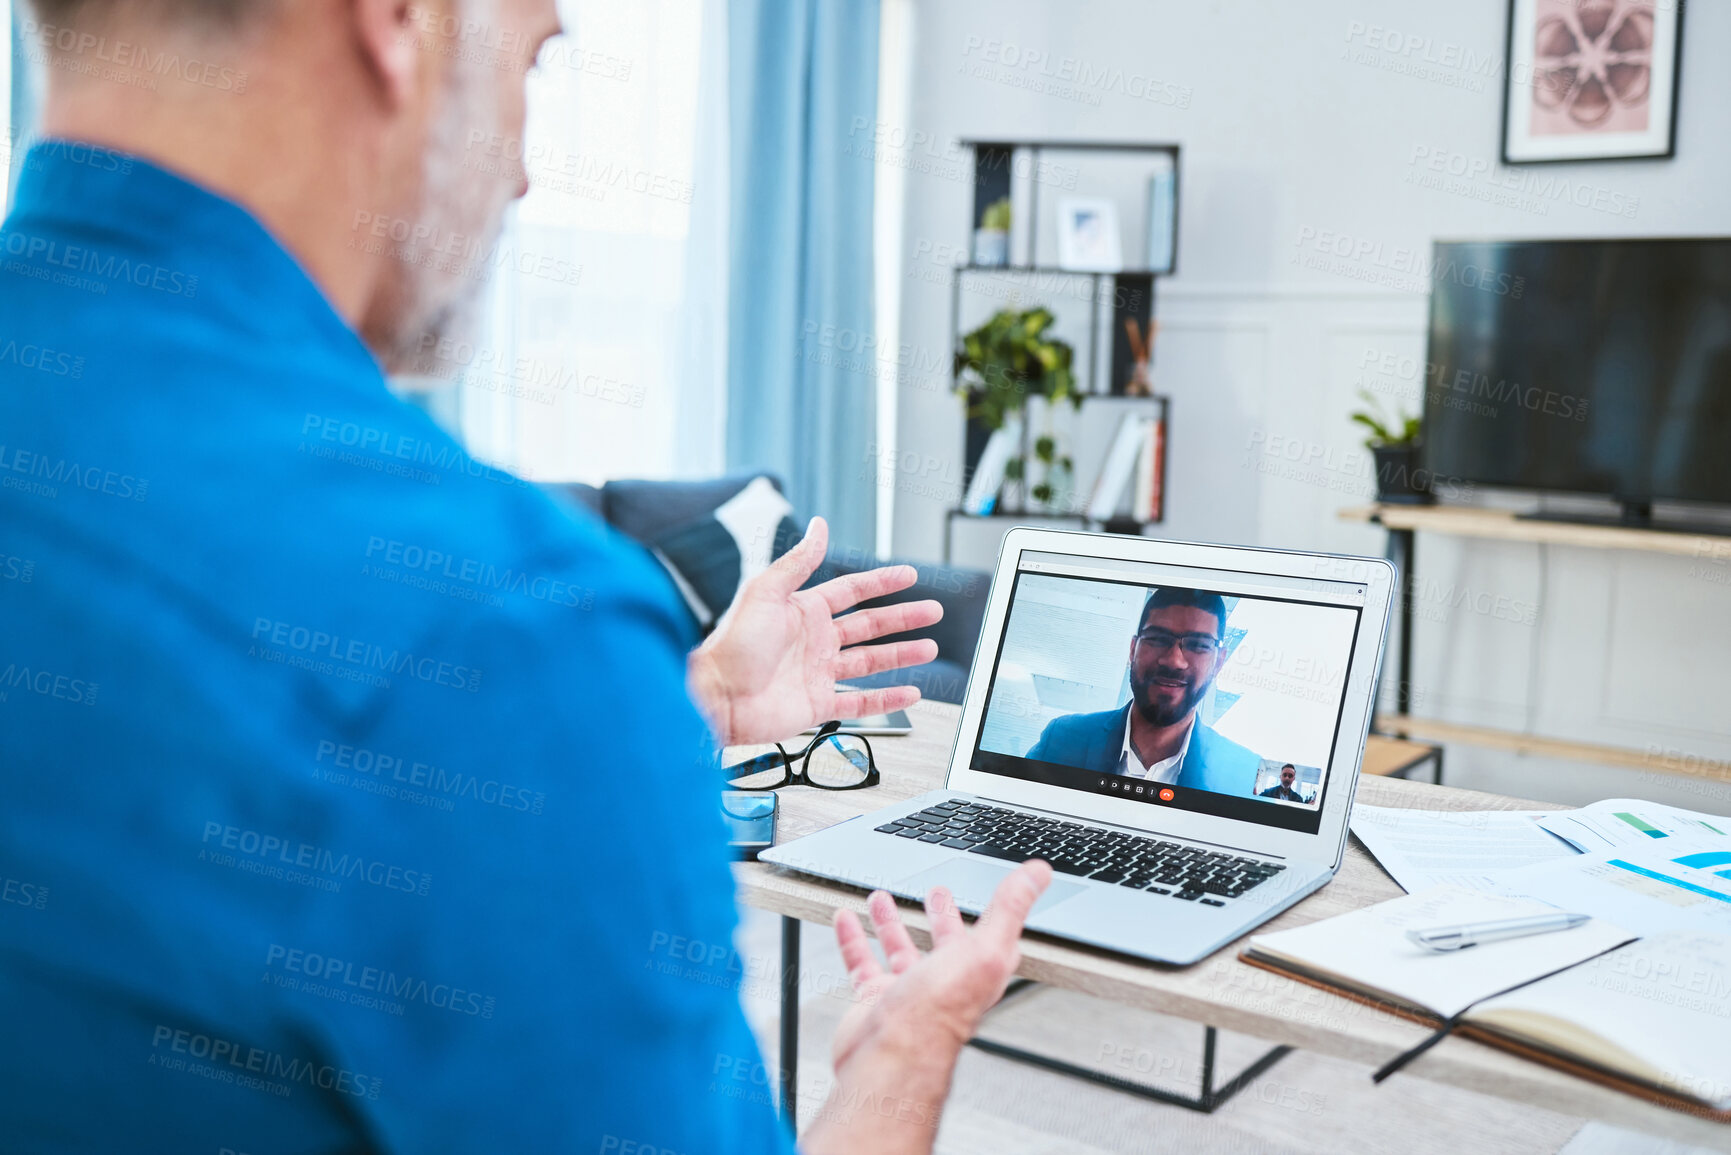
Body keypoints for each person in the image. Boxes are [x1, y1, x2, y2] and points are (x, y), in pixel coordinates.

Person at [0, 1, 1051, 1152]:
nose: (523, 177)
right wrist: (907, 1048)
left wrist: (687, 702)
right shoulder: (504, 634)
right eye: (535, 61)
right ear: (398, 22)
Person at [1026, 587, 1259, 796]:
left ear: (1218, 662)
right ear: (1132, 649)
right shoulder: (1063, 738)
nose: (1174, 660)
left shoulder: (1241, 774)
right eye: (1158, 639)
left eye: (1198, 645)